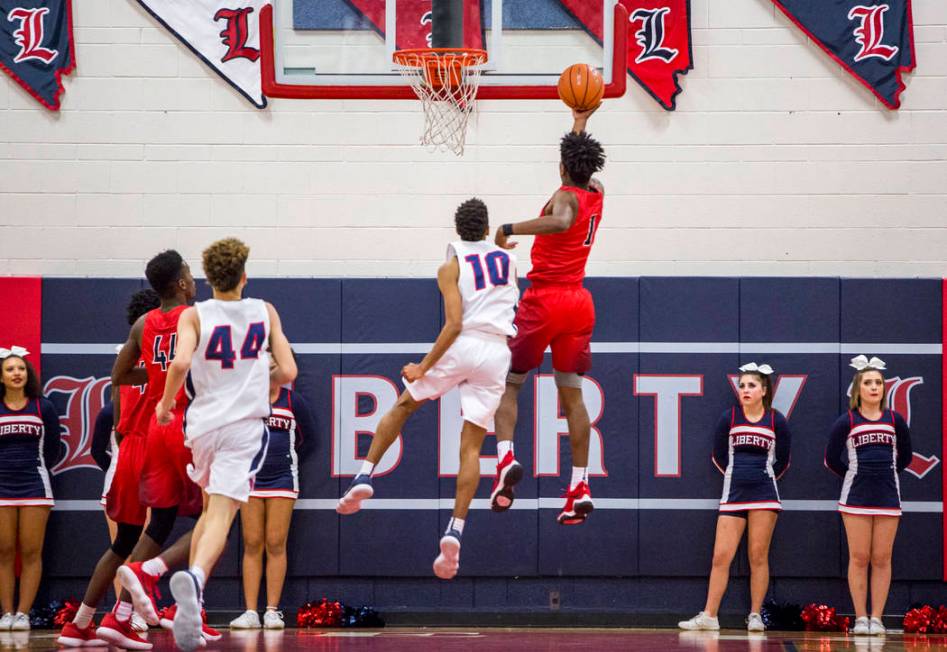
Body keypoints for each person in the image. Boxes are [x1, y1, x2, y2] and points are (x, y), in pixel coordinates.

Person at [337, 198, 518, 579]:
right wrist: (499, 243)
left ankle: (365, 476)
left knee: (403, 405)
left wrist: (423, 366)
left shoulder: (450, 265)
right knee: (471, 445)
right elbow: (495, 260)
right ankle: (455, 529)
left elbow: (453, 325)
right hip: (499, 351)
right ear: (487, 228)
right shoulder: (508, 260)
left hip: (465, 341)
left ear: (458, 232)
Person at [156, 238, 296, 652]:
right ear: (244, 276)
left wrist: (165, 406)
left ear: (207, 278)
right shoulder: (264, 310)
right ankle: (196, 579)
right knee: (221, 513)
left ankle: (193, 604)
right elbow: (287, 370)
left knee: (207, 510)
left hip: (201, 427)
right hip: (243, 429)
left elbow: (180, 364)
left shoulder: (194, 315)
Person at [491, 107, 605, 525]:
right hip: (579, 303)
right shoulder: (598, 189)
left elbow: (560, 219)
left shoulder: (566, 199)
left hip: (545, 301)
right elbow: (579, 161)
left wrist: (509, 228)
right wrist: (580, 121)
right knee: (572, 395)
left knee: (509, 384)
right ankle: (580, 485)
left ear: (561, 167)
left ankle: (505, 461)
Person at [58, 289, 161, 647]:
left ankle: (82, 621)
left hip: (128, 450)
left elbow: (116, 417)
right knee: (189, 527)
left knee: (126, 542)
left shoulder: (124, 355)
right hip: (146, 450)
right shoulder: (164, 352)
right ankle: (123, 616)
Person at [679, 363, 791, 633]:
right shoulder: (729, 418)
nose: (745, 390)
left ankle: (755, 615)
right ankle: (710, 615)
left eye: (752, 385)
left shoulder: (776, 420)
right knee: (721, 556)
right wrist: (738, 476)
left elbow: (783, 461)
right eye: (742, 386)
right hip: (733, 495)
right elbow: (719, 457)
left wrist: (760, 478)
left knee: (758, 556)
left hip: (764, 496)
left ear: (764, 390)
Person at [825, 355, 912, 636]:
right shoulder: (846, 421)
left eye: (878, 383)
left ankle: (878, 618)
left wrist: (885, 473)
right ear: (858, 388)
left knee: (882, 558)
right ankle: (860, 617)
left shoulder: (894, 420)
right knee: (860, 557)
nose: (874, 387)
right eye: (868, 383)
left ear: (883, 389)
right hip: (856, 497)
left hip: (888, 495)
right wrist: (858, 475)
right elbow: (831, 460)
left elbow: (906, 458)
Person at [230, 352, 315, 630]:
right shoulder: (244, 401)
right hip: (250, 479)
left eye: (273, 368)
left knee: (276, 543)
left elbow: (309, 439)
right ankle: (250, 612)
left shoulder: (293, 402)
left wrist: (286, 461)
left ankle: (272, 610)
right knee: (252, 542)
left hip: (282, 479)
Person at [0, 347, 63, 632]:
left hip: (35, 485)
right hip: (1, 488)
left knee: (30, 552)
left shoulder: (42, 406)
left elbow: (52, 449)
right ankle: (7, 613)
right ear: (1, 376)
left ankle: (23, 613)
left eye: (21, 369)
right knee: (3, 551)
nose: (17, 373)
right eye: (10, 369)